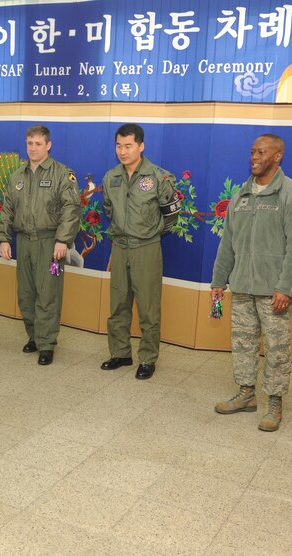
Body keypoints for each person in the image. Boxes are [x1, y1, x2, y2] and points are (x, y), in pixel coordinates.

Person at [211, 134, 292, 432]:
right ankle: (246, 394)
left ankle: (274, 403)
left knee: (277, 349)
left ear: (278, 156)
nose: (255, 156)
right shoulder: (240, 198)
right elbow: (227, 243)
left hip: (274, 293)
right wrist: (220, 280)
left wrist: (286, 287)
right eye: (253, 151)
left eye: (262, 152)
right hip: (242, 287)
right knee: (243, 345)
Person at [99, 123, 179, 380]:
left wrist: (150, 233)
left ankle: (148, 358)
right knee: (118, 305)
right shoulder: (111, 177)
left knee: (148, 307)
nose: (123, 151)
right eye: (119, 146)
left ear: (141, 146)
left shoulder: (159, 177)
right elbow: (109, 211)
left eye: (128, 146)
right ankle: (120, 353)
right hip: (120, 248)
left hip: (146, 248)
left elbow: (171, 216)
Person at [0, 125, 82, 365]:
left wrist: (63, 240)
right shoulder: (17, 177)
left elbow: (72, 209)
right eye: (29, 143)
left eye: (38, 144)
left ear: (48, 145)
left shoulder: (62, 174)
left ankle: (47, 344)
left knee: (48, 295)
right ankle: (34, 336)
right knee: (26, 294)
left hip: (49, 244)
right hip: (23, 242)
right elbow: (7, 211)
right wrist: (4, 238)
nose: (33, 148)